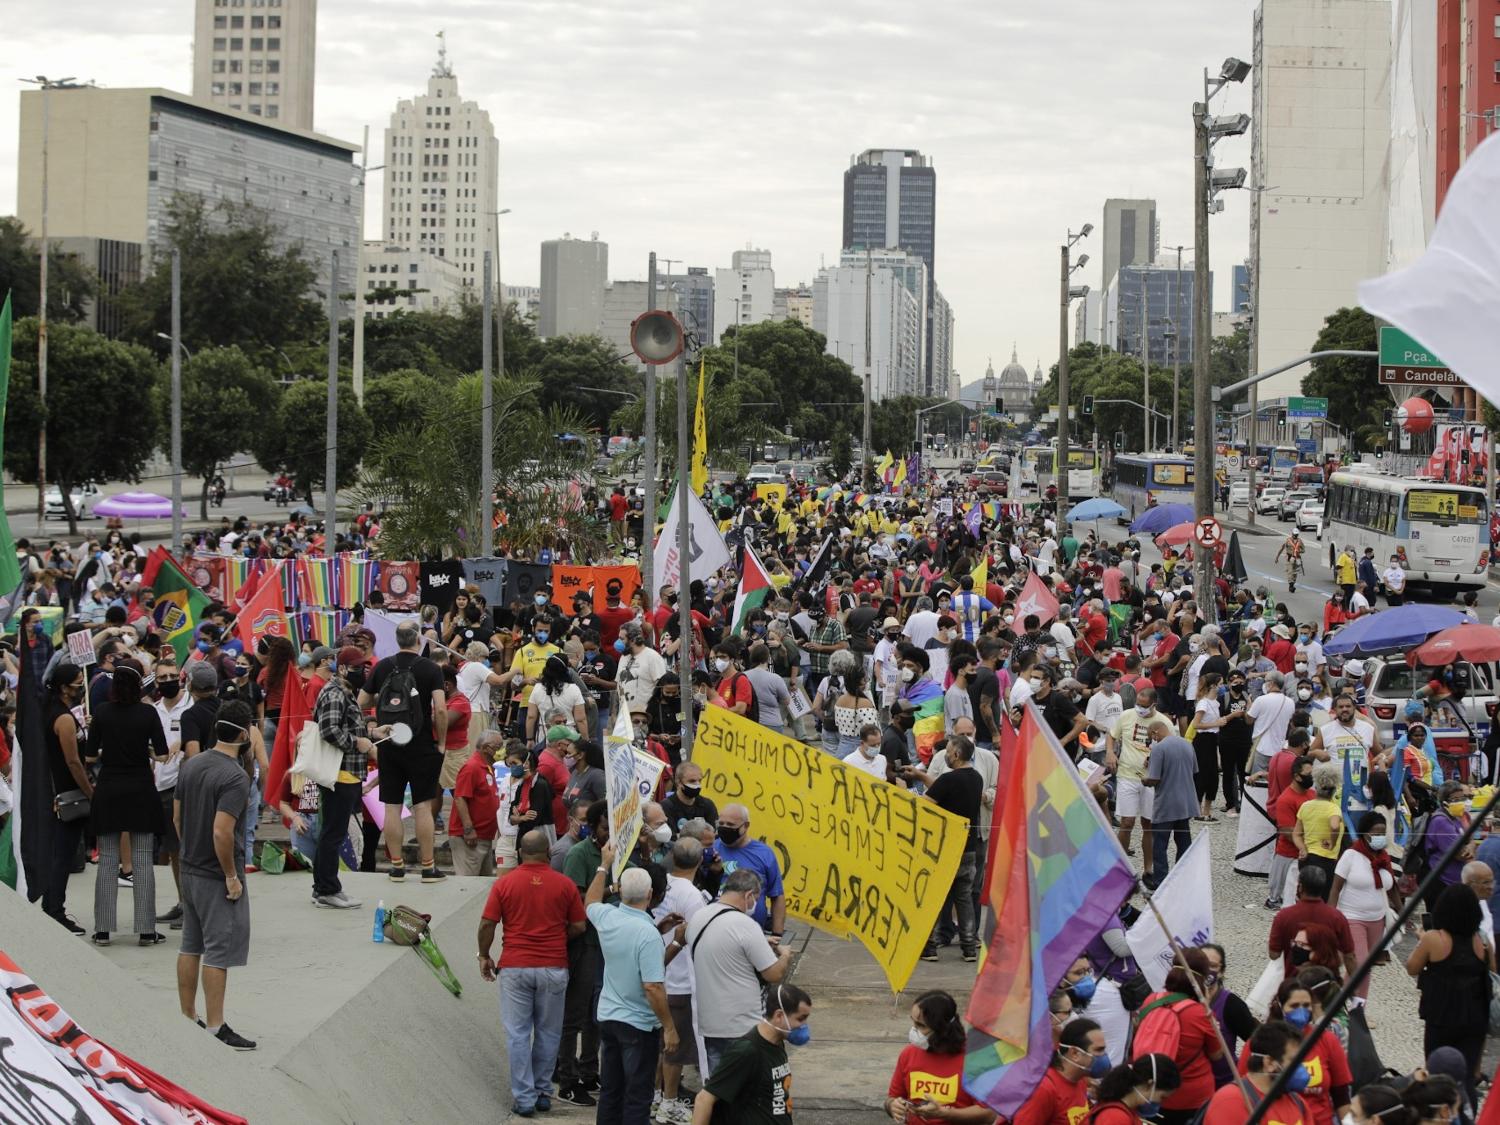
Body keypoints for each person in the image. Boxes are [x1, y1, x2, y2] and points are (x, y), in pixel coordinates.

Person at [477, 828, 587, 1118]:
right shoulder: (564, 885)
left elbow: (487, 924)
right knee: (549, 1033)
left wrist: (484, 955)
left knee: (517, 1034)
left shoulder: (504, 884)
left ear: (520, 853)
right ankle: (542, 1092)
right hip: (553, 967)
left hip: (515, 967)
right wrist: (555, 938)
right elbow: (579, 926)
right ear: (549, 851)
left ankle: (524, 1098)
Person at [174, 699, 257, 1051]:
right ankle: (215, 1025)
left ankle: (186, 1016)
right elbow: (223, 832)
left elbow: (178, 818)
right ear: (242, 733)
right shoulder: (234, 776)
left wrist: (190, 851)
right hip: (214, 875)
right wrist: (230, 876)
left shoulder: (192, 765)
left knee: (190, 945)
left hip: (190, 870)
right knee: (217, 953)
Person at [586, 844, 678, 1125]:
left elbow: (590, 902)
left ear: (621, 892)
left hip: (610, 1017)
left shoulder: (608, 917)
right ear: (650, 895)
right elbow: (652, 987)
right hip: (638, 1025)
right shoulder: (646, 934)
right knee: (638, 1095)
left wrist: (604, 864)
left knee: (611, 1091)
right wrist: (670, 1027)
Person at [360, 620, 447, 882]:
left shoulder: (383, 666)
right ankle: (428, 867)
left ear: (397, 640)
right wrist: (441, 742)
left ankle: (396, 866)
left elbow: (361, 702)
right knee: (422, 806)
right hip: (421, 745)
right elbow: (441, 709)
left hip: (389, 744)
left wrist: (373, 727)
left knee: (391, 806)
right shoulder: (431, 668)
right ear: (418, 639)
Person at [89, 663, 170, 946]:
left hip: (109, 787)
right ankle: (146, 928)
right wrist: (143, 749)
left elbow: (89, 756)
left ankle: (102, 929)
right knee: (142, 858)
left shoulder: (100, 713)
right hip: (140, 789)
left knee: (108, 859)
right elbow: (161, 754)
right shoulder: (148, 713)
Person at [686, 868, 794, 1076]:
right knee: (749, 1092)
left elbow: (723, 948)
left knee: (720, 1089)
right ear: (748, 895)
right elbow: (773, 974)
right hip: (743, 1024)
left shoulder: (699, 918)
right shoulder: (745, 925)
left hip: (710, 1023)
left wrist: (759, 941)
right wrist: (785, 956)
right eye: (756, 898)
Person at [1406, 883, 1494, 1094]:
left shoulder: (1434, 939)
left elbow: (1412, 968)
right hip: (1475, 1016)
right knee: (1467, 1075)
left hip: (1441, 1015)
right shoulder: (1482, 941)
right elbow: (1492, 971)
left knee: (1437, 1073)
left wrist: (1422, 941)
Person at [309, 647, 377, 908]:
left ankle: (324, 887)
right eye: (357, 666)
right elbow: (329, 730)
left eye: (364, 666)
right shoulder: (335, 693)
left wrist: (371, 733)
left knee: (333, 832)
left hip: (348, 771)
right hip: (340, 772)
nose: (363, 671)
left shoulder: (344, 692)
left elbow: (348, 727)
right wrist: (356, 743)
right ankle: (327, 889)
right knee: (333, 833)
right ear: (342, 668)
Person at [906, 735, 982, 962]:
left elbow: (926, 805)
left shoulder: (949, 779)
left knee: (932, 898)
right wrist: (921, 776)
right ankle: (969, 947)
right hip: (968, 849)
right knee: (964, 898)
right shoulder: (976, 778)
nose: (945, 755)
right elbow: (943, 792)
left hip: (944, 850)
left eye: (947, 751)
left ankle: (929, 947)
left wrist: (907, 792)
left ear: (956, 754)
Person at [691, 984, 812, 1125]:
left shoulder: (777, 1043)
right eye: (800, 1019)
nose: (804, 1025)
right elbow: (704, 1099)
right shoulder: (746, 1051)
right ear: (779, 1015)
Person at [655, 836, 711, 1125]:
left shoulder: (659, 884)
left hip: (657, 976)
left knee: (660, 1046)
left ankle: (655, 1098)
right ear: (699, 862)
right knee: (674, 1048)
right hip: (680, 981)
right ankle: (669, 1104)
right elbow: (701, 936)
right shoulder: (692, 896)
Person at [1133, 949, 1224, 1125]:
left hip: (1151, 1091)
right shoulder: (1200, 1013)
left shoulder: (1152, 1000)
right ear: (1201, 979)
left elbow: (1139, 1032)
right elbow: (1217, 1054)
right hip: (1191, 1098)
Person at [884, 989, 998, 1124]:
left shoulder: (975, 1058)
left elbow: (989, 1114)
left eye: (921, 1025)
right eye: (913, 1022)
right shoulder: (908, 1054)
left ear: (942, 1029)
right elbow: (892, 1098)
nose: (914, 1030)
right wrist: (892, 1106)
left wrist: (946, 1114)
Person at [41, 662, 91, 935]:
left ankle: (52, 906)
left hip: (55, 793)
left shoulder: (49, 712)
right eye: (76, 682)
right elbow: (73, 762)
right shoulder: (63, 719)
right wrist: (89, 792)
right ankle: (55, 910)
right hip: (67, 795)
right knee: (63, 856)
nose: (79, 686)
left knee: (57, 855)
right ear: (64, 687)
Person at [1329, 811, 1396, 1003]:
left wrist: (1401, 910)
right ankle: (1347, 1005)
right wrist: (1330, 916)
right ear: (1364, 834)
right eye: (1375, 833)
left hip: (1377, 920)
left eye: (1383, 832)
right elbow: (1335, 888)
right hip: (1351, 917)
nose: (1379, 837)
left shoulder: (1384, 858)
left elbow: (1392, 887)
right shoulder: (1350, 856)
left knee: (1364, 966)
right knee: (1360, 965)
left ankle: (1350, 1004)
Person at [1269, 979, 1352, 1125]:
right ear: (1281, 1007)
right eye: (1294, 1006)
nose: (1301, 1011)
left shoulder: (1327, 1040)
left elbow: (1342, 1095)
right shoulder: (1265, 1041)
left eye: (1306, 1005)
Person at [1203, 1021, 1311, 1125]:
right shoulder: (1230, 1102)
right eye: (1295, 1061)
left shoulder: (1298, 1102)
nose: (1302, 1068)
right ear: (1269, 1063)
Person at [1013, 1017, 1109, 1125]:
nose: (1104, 1056)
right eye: (1098, 1050)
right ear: (1075, 1053)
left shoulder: (1080, 1081)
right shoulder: (1043, 1089)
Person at [712, 804, 787, 940]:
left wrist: (777, 934)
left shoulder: (764, 854)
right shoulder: (712, 848)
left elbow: (777, 895)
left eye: (730, 824)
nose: (725, 828)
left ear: (745, 826)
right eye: (721, 823)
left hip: (753, 934)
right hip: (716, 931)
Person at [1270, 867, 1356, 979]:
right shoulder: (1337, 918)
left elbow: (1274, 954)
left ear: (1300, 887)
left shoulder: (1284, 916)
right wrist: (1354, 989)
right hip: (1326, 984)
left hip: (1294, 982)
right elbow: (1349, 956)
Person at [1142, 718, 1196, 890]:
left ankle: (1161, 884)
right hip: (1186, 803)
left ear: (1156, 732)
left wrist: (1144, 779)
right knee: (1183, 843)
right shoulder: (1187, 744)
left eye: (1152, 737)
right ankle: (1182, 880)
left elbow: (1154, 778)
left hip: (1166, 804)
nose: (1153, 740)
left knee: (1159, 846)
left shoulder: (1159, 748)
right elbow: (1194, 770)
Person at [448, 729, 503, 876]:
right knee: (468, 885)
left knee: (483, 884)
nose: (501, 751)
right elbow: (460, 798)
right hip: (470, 838)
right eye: (498, 747)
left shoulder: (486, 767)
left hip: (484, 836)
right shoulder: (472, 768)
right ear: (485, 748)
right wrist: (468, 829)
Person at [1267, 757, 1316, 911]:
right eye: (1308, 774)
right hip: (1288, 854)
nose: (1311, 777)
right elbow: (1287, 831)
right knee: (1278, 895)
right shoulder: (1285, 799)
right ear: (1296, 776)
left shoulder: (1312, 794)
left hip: (1308, 851)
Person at [1085, 1054, 1183, 1125]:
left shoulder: (1126, 1110)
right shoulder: (1115, 1117)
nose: (1159, 1103)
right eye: (1162, 1097)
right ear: (1150, 1084)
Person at [661, 761, 717, 833]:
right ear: (679, 782)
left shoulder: (707, 805)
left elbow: (714, 835)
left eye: (699, 780)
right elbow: (671, 839)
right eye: (692, 781)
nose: (697, 785)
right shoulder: (666, 806)